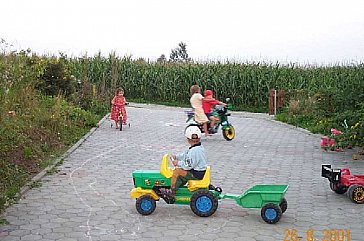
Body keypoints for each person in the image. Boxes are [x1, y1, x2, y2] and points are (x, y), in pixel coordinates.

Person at [168, 125, 207, 198]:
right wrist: (177, 156)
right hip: (198, 171)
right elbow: (185, 155)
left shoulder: (194, 151)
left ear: (188, 139)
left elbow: (188, 165)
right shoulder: (197, 148)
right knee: (181, 171)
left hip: (196, 174)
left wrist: (178, 163)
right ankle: (178, 185)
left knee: (177, 171)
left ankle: (171, 191)